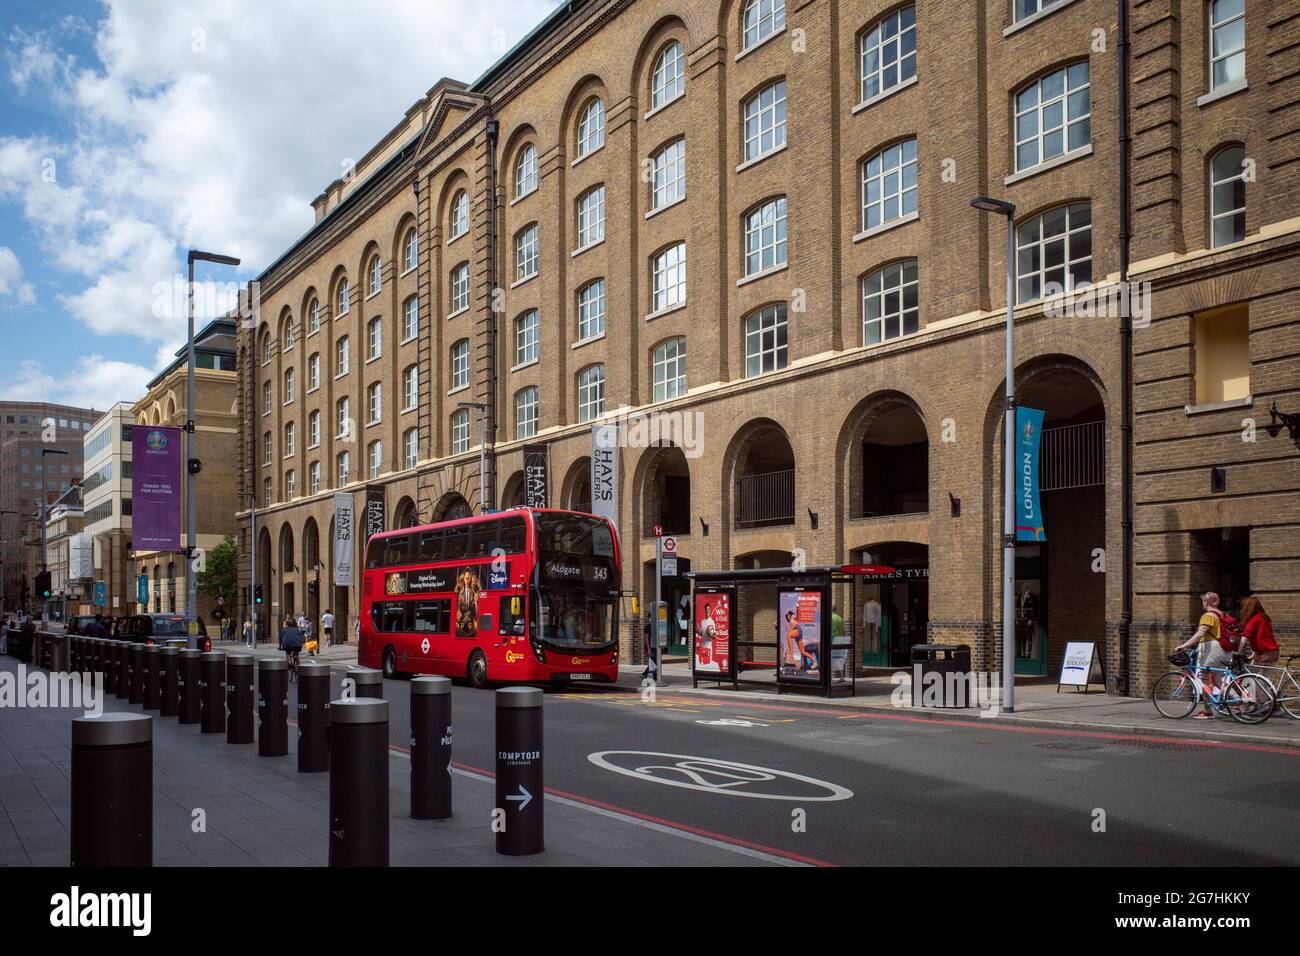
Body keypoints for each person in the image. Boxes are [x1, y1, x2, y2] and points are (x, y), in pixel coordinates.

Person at [1174, 591, 1232, 719]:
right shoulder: (1221, 614)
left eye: (1203, 601)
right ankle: (1240, 699)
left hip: (1212, 650)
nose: (1202, 604)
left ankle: (1208, 711)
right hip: (1225, 650)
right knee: (1218, 680)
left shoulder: (1208, 616)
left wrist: (1183, 645)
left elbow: (1200, 633)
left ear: (1207, 602)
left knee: (1204, 680)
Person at [1240, 596, 1279, 666]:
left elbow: (1245, 636)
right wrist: (1254, 654)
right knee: (1267, 677)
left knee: (1249, 675)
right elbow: (1263, 637)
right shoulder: (1265, 618)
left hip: (1264, 653)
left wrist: (1238, 651)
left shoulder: (1254, 619)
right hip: (1273, 652)